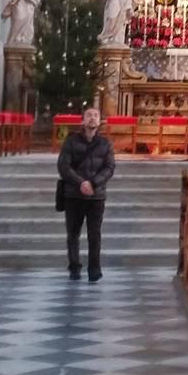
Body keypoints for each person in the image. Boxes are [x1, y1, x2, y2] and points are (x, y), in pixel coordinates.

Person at [58, 107, 116, 281]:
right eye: (89, 115)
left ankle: (94, 269)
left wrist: (93, 183)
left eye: (96, 115)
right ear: (82, 120)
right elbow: (63, 166)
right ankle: (74, 267)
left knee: (94, 233)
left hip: (96, 195)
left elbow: (109, 167)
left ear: (100, 121)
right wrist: (80, 182)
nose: (92, 118)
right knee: (73, 233)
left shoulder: (106, 144)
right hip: (73, 194)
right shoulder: (71, 142)